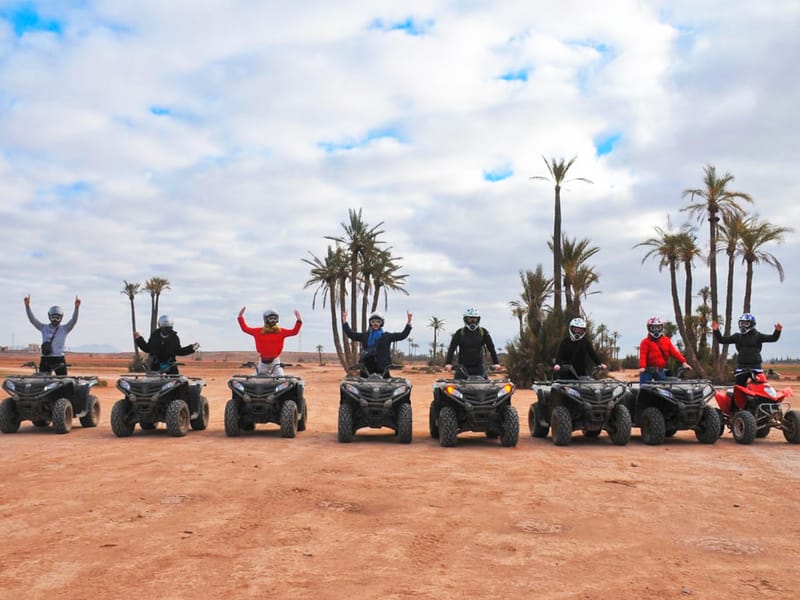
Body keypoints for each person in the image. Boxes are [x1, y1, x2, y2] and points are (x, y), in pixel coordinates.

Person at [712, 313, 782, 386]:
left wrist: (777, 331)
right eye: (741, 323)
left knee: (761, 386)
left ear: (752, 324)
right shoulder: (737, 336)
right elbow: (722, 340)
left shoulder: (758, 336)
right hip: (741, 367)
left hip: (756, 367)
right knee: (739, 388)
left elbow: (773, 338)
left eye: (746, 324)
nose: (743, 326)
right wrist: (716, 330)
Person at [342, 310, 412, 377]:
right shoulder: (365, 336)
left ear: (381, 323)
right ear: (370, 323)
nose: (375, 324)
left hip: (382, 369)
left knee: (388, 388)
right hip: (366, 369)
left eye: (378, 322)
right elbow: (351, 334)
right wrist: (344, 321)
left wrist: (409, 322)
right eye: (373, 321)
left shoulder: (386, 336)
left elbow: (402, 335)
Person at [24, 295, 80, 376]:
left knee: (63, 381)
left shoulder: (65, 329)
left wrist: (77, 307)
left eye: (57, 317)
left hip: (59, 359)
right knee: (42, 382)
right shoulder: (43, 328)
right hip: (45, 359)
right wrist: (27, 306)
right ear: (49, 317)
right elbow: (33, 320)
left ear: (61, 318)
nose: (55, 320)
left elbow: (73, 321)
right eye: (53, 317)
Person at [238, 307, 302, 376]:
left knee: (281, 378)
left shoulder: (281, 332)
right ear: (265, 319)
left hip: (275, 362)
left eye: (275, 318)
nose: (273, 320)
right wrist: (240, 317)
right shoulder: (258, 332)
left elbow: (294, 332)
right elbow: (245, 329)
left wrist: (299, 321)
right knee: (256, 380)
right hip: (263, 363)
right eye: (271, 318)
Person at [444, 308, 501, 379]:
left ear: (478, 320)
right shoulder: (460, 333)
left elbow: (491, 348)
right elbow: (452, 348)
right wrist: (448, 363)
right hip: (462, 367)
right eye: (470, 319)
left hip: (479, 367)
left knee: (486, 387)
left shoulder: (483, 332)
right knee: (455, 387)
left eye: (475, 319)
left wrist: (496, 363)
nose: (472, 321)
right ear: (465, 319)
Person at [135, 315, 199, 374]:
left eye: (167, 328)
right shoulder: (155, 336)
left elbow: (178, 351)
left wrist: (191, 348)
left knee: (176, 382)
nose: (166, 330)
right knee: (153, 384)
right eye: (165, 328)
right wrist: (139, 339)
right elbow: (148, 349)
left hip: (171, 366)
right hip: (156, 365)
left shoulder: (174, 337)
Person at [638, 316, 689, 383]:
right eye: (653, 328)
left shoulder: (666, 341)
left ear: (661, 328)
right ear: (649, 328)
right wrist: (642, 367)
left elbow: (674, 352)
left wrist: (683, 362)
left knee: (665, 386)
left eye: (658, 327)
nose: (656, 330)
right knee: (644, 387)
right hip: (647, 370)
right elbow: (643, 356)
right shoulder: (645, 342)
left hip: (660, 370)